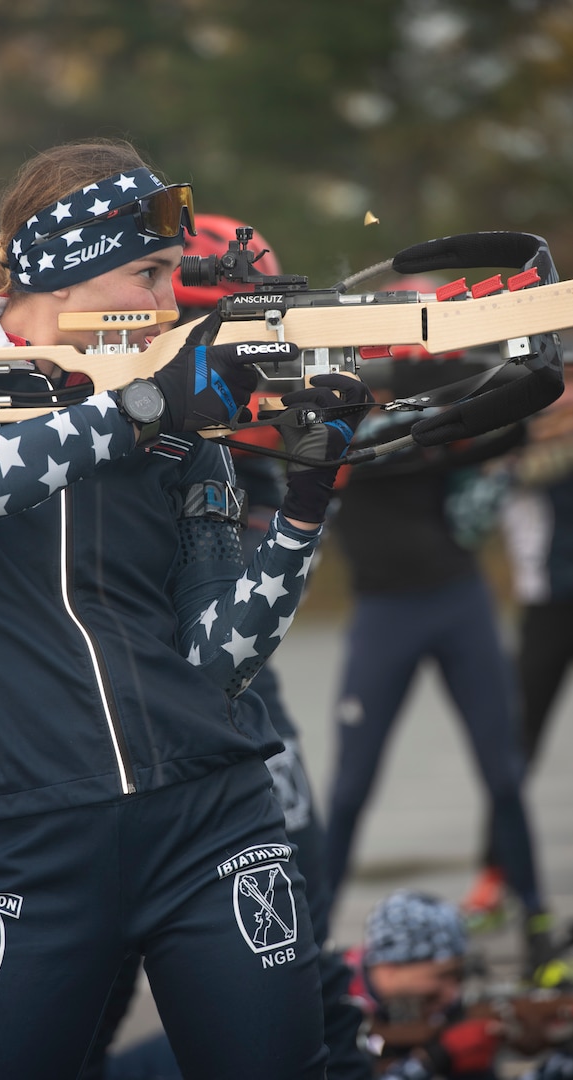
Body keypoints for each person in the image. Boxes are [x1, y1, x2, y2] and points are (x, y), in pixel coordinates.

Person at [0, 138, 373, 1079]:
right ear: (68, 269)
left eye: (175, 275)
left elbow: (219, 660)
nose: (172, 303)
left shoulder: (179, 414)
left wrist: (303, 506)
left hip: (215, 826)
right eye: (150, 272)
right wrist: (140, 407)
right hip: (27, 847)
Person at [89, 214, 370, 1080]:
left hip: (230, 676)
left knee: (294, 930)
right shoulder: (90, 392)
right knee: (84, 996)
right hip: (107, 715)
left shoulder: (239, 401)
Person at [322, 305, 557, 983]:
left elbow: (485, 469)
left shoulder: (425, 430)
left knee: (502, 773)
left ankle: (536, 918)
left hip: (457, 604)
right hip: (383, 616)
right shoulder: (342, 436)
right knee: (350, 788)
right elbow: (375, 441)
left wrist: (517, 411)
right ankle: (310, 934)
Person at [460, 383, 573, 957]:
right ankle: (494, 874)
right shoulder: (524, 433)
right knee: (516, 740)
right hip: (549, 602)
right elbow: (509, 477)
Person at [349, 890, 573, 1080]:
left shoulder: (440, 1011)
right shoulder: (333, 1009)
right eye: (441, 975)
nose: (452, 993)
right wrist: (434, 1059)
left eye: (458, 976)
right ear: (389, 968)